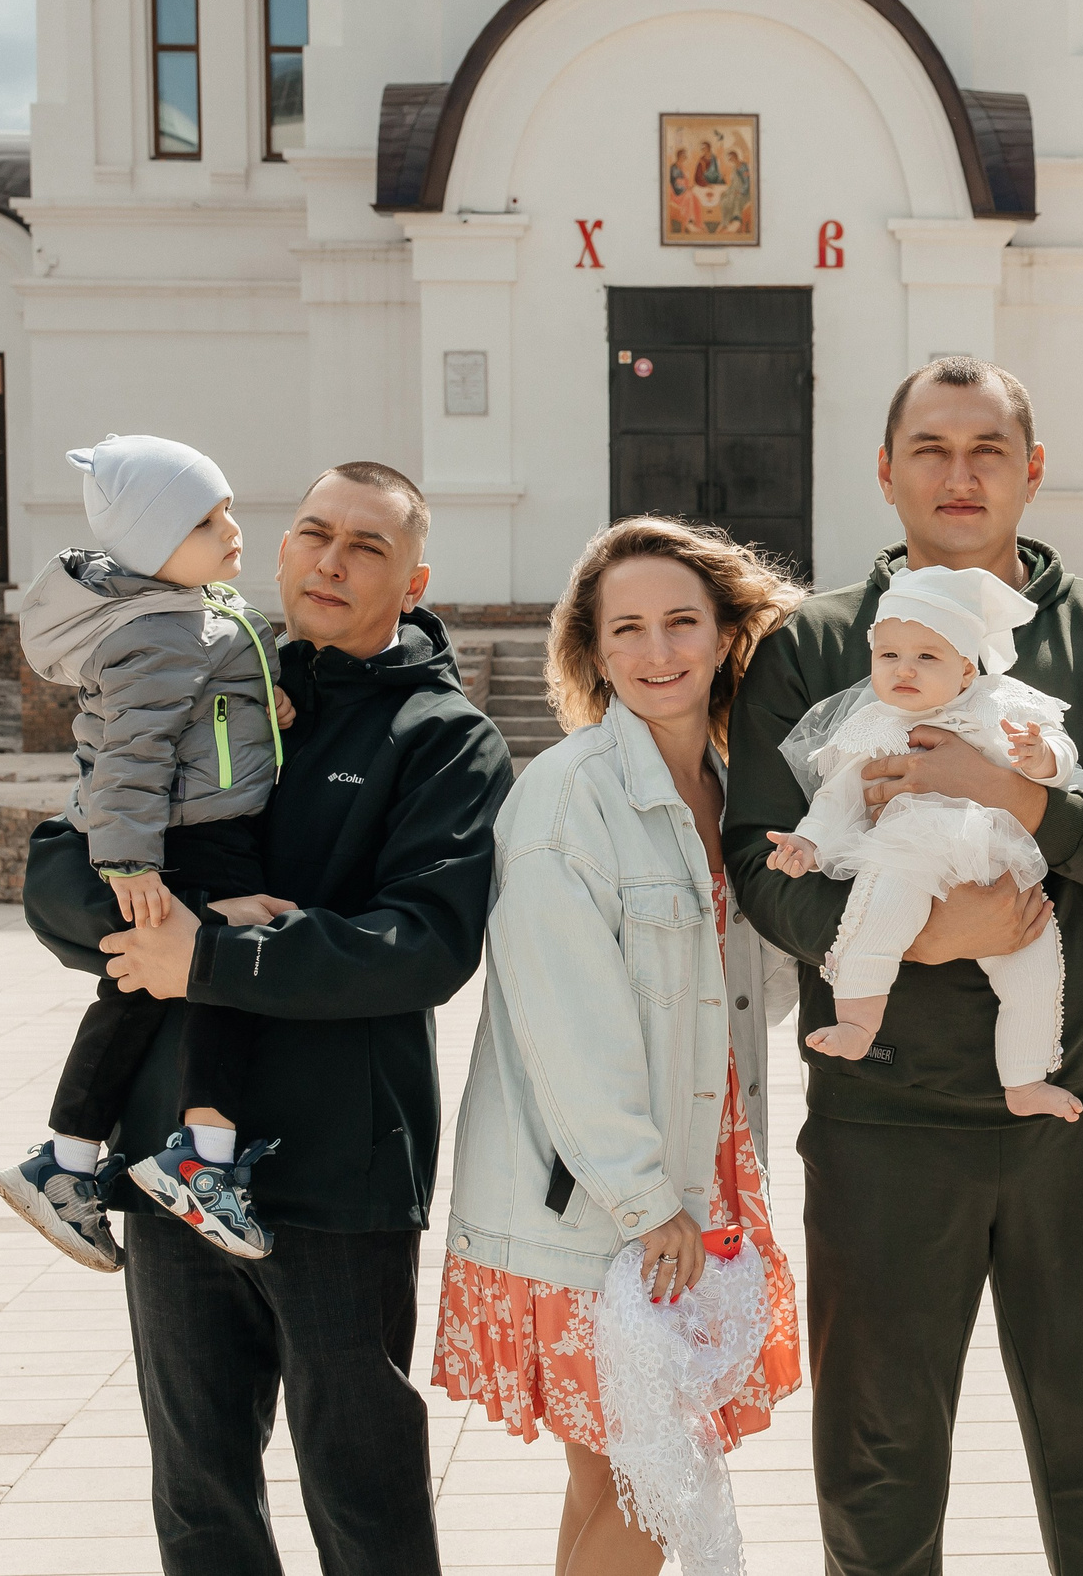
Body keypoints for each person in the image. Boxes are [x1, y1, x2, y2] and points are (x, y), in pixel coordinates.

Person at [724, 356, 1083, 1576]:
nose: (959, 474)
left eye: (987, 449)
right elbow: (759, 859)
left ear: (1031, 470)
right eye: (931, 450)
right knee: (877, 1459)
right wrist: (927, 935)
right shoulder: (820, 644)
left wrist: (1023, 804)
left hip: (1078, 1116)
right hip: (882, 1116)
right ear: (883, 471)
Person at [21, 461, 513, 1576]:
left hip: (339, 1168)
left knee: (366, 1494)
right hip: (166, 1164)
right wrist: (146, 919)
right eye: (312, 533)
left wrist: (208, 954)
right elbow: (59, 871)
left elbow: (423, 945)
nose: (330, 561)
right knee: (199, 1496)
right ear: (282, 550)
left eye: (366, 547)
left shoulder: (442, 737)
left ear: (413, 577)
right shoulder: (190, 668)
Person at [432, 516, 806, 1576]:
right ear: (592, 653)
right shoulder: (568, 798)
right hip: (600, 1204)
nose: (657, 653)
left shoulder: (730, 790)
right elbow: (568, 1031)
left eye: (682, 622)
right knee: (654, 1484)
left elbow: (730, 1001)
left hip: (691, 1176)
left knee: (613, 1479)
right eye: (627, 630)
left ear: (727, 635)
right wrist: (649, 1203)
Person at [0, 434, 296, 1269]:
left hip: (196, 825)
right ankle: (201, 1156)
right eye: (205, 519)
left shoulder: (186, 607)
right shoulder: (159, 629)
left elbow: (204, 702)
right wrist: (130, 862)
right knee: (223, 976)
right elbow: (132, 755)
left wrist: (262, 702)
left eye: (227, 505)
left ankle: (66, 1161)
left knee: (134, 991)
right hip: (194, 837)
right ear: (153, 546)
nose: (230, 527)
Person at [762, 562, 1083, 1122]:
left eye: (927, 657)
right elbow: (839, 798)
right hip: (907, 855)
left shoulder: (1001, 709)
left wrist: (1041, 758)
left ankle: (1025, 1080)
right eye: (889, 656)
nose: (904, 670)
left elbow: (1065, 766)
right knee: (875, 918)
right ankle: (857, 1022)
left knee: (1037, 968)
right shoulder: (876, 724)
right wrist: (810, 844)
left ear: (967, 670)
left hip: (1000, 866)